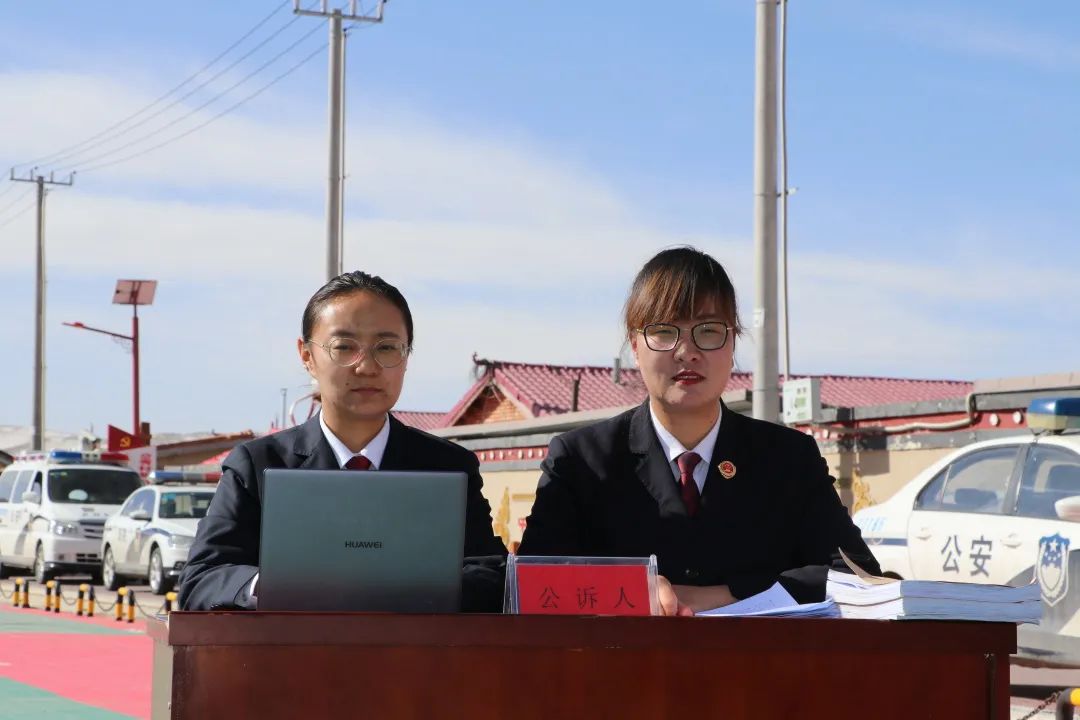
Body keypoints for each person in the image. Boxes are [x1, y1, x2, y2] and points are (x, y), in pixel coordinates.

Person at [517, 247, 880, 615]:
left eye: (708, 331)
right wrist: (633, 590)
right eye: (664, 332)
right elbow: (530, 585)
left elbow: (858, 575)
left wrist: (728, 594)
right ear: (635, 346)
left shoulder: (789, 459)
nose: (687, 351)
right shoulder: (582, 461)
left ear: (733, 343)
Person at [178, 271, 507, 611]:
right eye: (344, 347)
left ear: (407, 355)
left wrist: (398, 588)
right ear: (307, 356)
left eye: (387, 348)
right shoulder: (257, 466)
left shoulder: (449, 468)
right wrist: (277, 585)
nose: (366, 367)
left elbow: (492, 575)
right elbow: (202, 580)